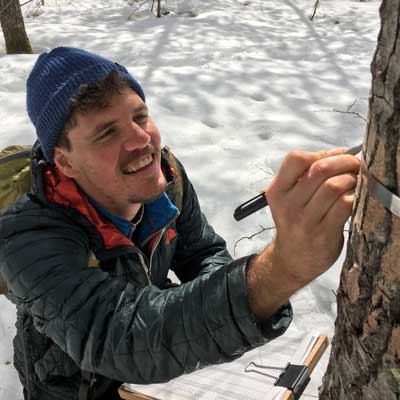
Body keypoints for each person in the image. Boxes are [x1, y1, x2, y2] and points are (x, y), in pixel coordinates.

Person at [0, 47, 360, 400]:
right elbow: (119, 337)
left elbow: (202, 254)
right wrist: (282, 269)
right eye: (107, 133)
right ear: (65, 163)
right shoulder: (28, 236)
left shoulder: (164, 179)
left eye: (140, 117)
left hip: (158, 381)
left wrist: (228, 309)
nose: (142, 141)